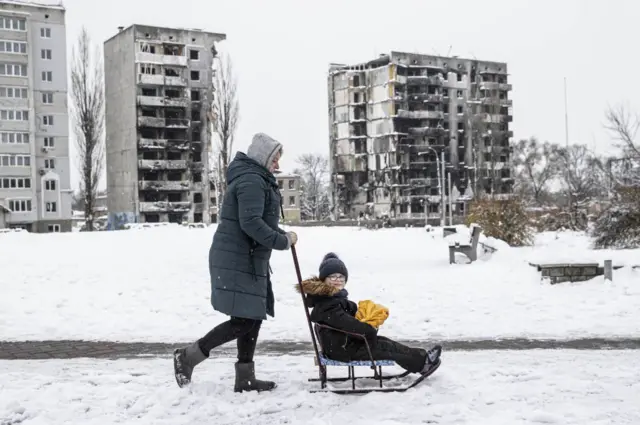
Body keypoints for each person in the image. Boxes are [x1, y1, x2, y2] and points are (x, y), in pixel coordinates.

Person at [173, 133, 298, 392]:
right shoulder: (252, 179)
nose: (276, 165)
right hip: (238, 257)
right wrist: (282, 240)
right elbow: (251, 223)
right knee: (243, 320)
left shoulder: (256, 177)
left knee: (252, 317)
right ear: (263, 157)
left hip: (247, 257)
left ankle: (245, 377)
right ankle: (187, 357)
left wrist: (277, 238)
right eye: (274, 159)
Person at [297, 253, 442, 375]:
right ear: (324, 279)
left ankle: (422, 358)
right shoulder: (327, 303)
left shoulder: (332, 298)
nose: (337, 280)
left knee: (385, 342)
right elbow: (348, 324)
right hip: (343, 350)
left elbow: (352, 312)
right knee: (385, 349)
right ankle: (423, 364)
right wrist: (369, 330)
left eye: (341, 277)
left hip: (344, 344)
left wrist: (369, 315)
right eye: (332, 277)